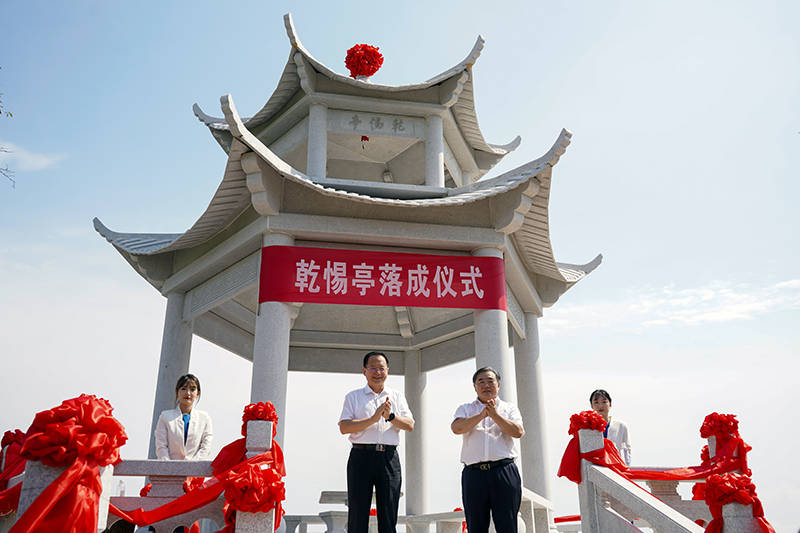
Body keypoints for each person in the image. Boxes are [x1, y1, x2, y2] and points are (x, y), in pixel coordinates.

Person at [338, 351, 415, 533]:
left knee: (389, 514)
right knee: (357, 514)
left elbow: (410, 424)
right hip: (361, 457)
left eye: (381, 368)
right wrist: (373, 419)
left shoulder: (396, 396)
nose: (377, 372)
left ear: (387, 370)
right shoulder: (353, 397)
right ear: (364, 371)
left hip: (388, 458)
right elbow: (344, 427)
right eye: (373, 368)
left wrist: (390, 416)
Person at [451, 367, 524, 533]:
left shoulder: (509, 408)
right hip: (474, 474)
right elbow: (457, 428)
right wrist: (482, 415)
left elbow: (517, 432)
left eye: (490, 381)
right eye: (481, 382)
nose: (486, 385)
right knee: (476, 524)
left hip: (504, 470)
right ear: (475, 387)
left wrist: (495, 415)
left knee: (507, 523)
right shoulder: (466, 408)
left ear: (498, 385)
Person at [154, 374, 213, 460]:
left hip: (195, 470)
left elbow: (206, 447)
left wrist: (191, 466)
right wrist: (169, 467)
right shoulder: (165, 417)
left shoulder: (205, 418)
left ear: (198, 393)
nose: (188, 393)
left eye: (192, 389)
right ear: (177, 392)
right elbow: (161, 446)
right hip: (168, 470)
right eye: (183, 389)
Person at [589, 389, 631, 465]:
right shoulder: (587, 427)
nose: (600, 406)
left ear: (610, 404)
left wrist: (626, 467)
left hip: (616, 468)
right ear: (591, 406)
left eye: (604, 402)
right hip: (594, 468)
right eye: (596, 402)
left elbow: (627, 449)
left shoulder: (620, 426)